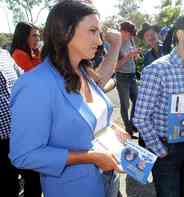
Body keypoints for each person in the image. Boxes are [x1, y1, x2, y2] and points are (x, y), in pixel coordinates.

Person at [9, 1, 128, 197]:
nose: (99, 41)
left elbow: (82, 118)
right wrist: (92, 157)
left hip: (109, 183)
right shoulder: (36, 84)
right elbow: (24, 155)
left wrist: (110, 127)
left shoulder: (84, 72)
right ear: (65, 32)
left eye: (99, 33)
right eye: (92, 31)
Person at [133, 15, 184, 197]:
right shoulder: (156, 70)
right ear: (182, 34)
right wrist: (160, 151)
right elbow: (140, 118)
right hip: (165, 149)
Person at [0, 48, 42, 197]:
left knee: (34, 181)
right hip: (2, 142)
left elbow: (23, 79)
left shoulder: (4, 55)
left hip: (21, 133)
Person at [115, 21, 140, 138]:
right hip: (122, 77)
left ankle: (133, 124)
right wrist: (129, 56)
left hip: (132, 75)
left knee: (138, 100)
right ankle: (128, 130)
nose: (131, 37)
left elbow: (134, 57)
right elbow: (116, 66)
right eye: (130, 34)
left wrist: (136, 55)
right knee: (125, 105)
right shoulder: (115, 44)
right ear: (123, 32)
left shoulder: (130, 40)